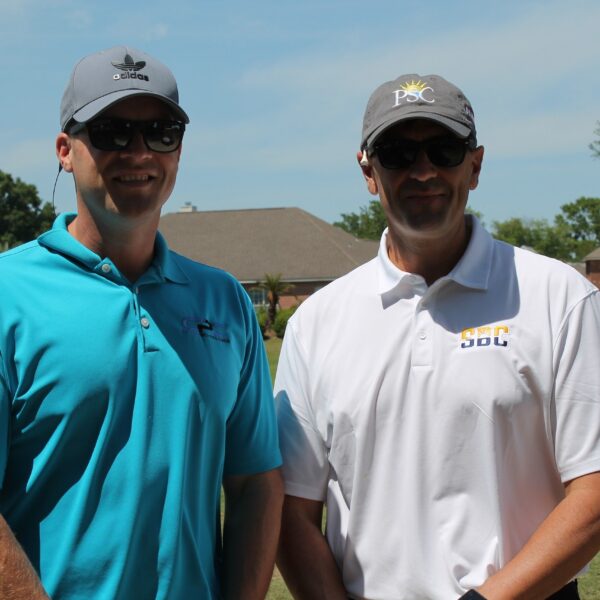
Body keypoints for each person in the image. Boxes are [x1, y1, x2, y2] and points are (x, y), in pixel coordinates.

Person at [274, 73, 600, 599]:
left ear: (475, 165)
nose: (423, 170)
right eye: (398, 154)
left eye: (444, 151)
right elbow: (292, 509)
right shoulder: (316, 323)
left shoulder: (559, 297)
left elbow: (593, 491)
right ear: (368, 171)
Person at [0, 46, 283, 600]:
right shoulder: (9, 293)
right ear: (65, 150)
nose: (138, 151)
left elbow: (254, 481)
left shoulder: (224, 300)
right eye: (111, 132)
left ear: (179, 150)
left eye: (160, 132)